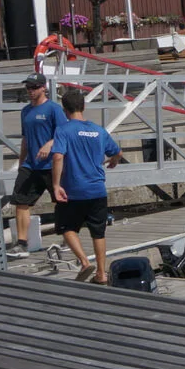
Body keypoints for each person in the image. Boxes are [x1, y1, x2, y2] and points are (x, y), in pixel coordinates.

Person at [49, 86, 123, 283]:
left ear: (65, 110)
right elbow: (117, 152)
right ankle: (101, 273)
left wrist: (56, 185)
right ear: (83, 107)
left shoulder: (63, 130)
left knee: (66, 227)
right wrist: (114, 161)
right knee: (98, 232)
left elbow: (57, 156)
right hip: (97, 190)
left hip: (74, 191)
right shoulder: (98, 131)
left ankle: (84, 261)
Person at [7, 74, 66, 253]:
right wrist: (21, 162)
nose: (30, 91)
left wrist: (49, 144)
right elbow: (25, 139)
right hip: (31, 165)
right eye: (28, 87)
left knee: (62, 202)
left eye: (34, 87)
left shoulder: (54, 109)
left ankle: (67, 237)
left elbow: (64, 134)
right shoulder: (25, 111)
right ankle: (22, 243)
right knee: (20, 201)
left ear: (43, 88)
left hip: (51, 165)